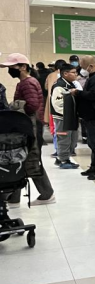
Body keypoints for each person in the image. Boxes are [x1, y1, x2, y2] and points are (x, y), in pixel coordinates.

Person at [1, 53, 55, 206]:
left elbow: (32, 106)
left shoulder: (27, 83)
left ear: (23, 67)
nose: (10, 70)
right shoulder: (26, 82)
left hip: (30, 125)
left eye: (12, 67)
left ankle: (47, 194)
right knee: (20, 158)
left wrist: (15, 106)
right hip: (28, 125)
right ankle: (14, 197)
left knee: (31, 160)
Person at [50, 62, 81, 169]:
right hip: (63, 118)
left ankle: (63, 158)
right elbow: (57, 104)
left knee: (73, 140)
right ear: (65, 73)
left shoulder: (71, 84)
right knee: (64, 139)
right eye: (73, 72)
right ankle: (63, 160)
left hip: (72, 117)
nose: (76, 74)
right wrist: (69, 114)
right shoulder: (59, 86)